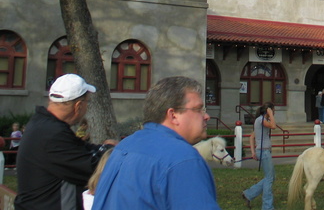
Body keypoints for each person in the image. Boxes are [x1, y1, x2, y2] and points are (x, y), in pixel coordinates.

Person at [92, 76, 221, 210]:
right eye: (198, 109)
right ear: (173, 115)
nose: (206, 116)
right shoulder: (182, 158)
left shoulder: (125, 146)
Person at [15, 74, 116, 210]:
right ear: (78, 106)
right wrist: (111, 150)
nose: (86, 108)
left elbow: (81, 148)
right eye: (87, 102)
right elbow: (92, 168)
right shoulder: (52, 134)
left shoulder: (43, 124)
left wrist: (104, 148)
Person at [242, 102, 277, 209]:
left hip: (263, 151)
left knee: (271, 177)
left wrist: (253, 152)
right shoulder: (261, 120)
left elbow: (252, 137)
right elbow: (273, 126)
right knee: (269, 179)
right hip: (264, 151)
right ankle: (267, 206)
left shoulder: (260, 121)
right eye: (273, 110)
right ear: (268, 110)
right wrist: (270, 114)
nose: (274, 112)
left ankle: (249, 194)